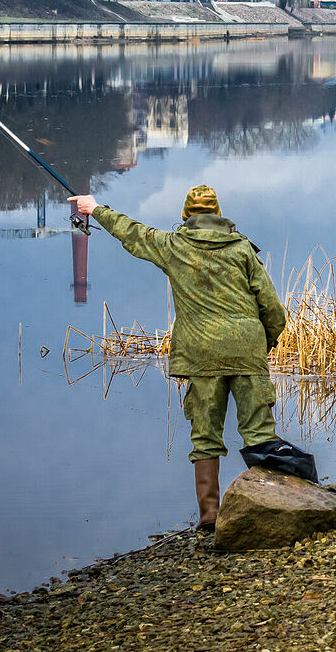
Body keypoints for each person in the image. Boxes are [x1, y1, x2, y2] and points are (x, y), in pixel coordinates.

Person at [68, 185, 285, 531]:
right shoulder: (243, 248)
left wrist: (95, 208)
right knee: (259, 431)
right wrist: (262, 344)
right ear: (219, 215)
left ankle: (210, 516)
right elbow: (273, 309)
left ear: (186, 216)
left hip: (201, 354)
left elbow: (132, 232)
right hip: (247, 349)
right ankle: (272, 505)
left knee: (205, 436)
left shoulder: (174, 246)